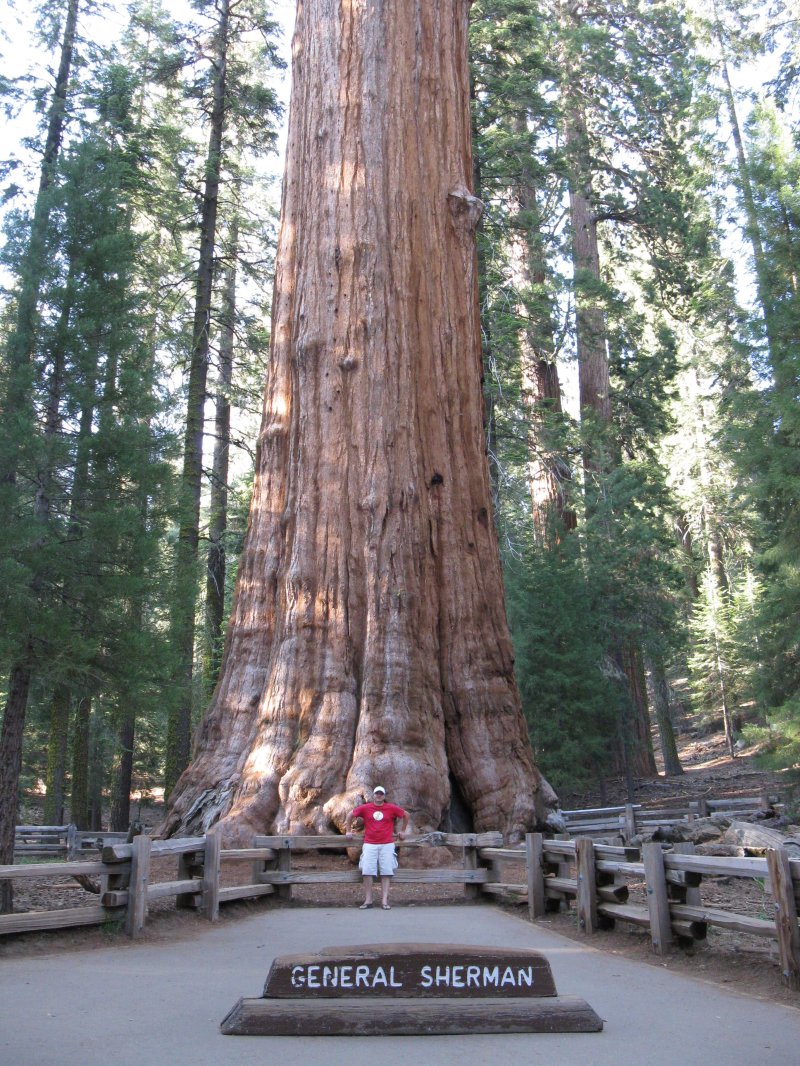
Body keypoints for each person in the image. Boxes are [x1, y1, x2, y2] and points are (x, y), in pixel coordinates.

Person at [345, 785, 409, 909]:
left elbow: (406, 815)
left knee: (386, 871)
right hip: (370, 844)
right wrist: (348, 830)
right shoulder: (366, 808)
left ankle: (384, 901)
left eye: (381, 794)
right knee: (367, 871)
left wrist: (403, 830)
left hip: (387, 844)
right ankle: (368, 900)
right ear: (373, 795)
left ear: (384, 796)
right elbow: (350, 815)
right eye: (376, 794)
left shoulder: (390, 808)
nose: (378, 796)